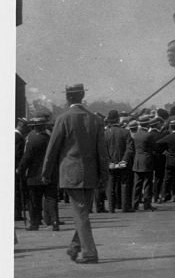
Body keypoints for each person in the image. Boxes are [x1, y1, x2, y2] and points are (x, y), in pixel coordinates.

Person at [41, 84, 109, 264]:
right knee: (83, 213)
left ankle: (90, 253)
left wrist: (46, 172)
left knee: (81, 214)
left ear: (68, 98)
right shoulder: (95, 120)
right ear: (82, 96)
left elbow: (52, 149)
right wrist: (104, 176)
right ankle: (74, 246)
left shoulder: (63, 119)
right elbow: (102, 152)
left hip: (71, 174)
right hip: (91, 174)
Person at [19, 115, 60, 231]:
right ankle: (54, 221)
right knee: (51, 199)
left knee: (34, 201)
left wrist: (20, 169)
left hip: (34, 174)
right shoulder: (50, 137)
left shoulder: (31, 138)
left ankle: (34, 223)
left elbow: (27, 157)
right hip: (50, 173)